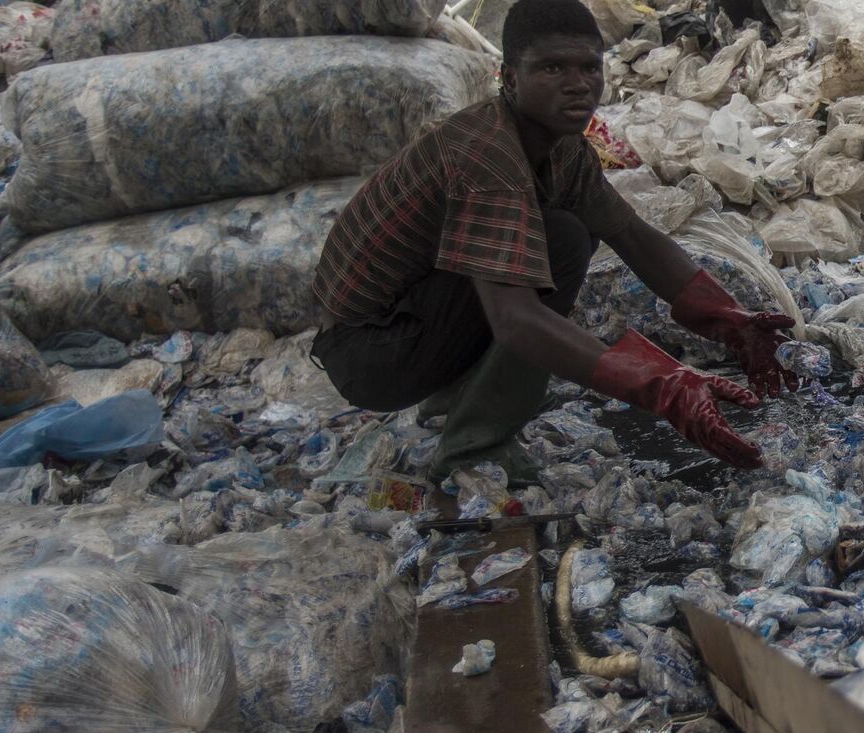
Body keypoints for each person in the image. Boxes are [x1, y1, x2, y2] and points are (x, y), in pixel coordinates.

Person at [310, 0, 794, 486]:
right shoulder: (486, 157)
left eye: (589, 67)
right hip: (369, 354)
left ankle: (461, 395)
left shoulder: (562, 149)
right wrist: (660, 385)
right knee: (558, 243)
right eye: (552, 67)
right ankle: (472, 448)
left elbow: (633, 236)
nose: (578, 83)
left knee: (565, 234)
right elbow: (516, 320)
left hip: (411, 321)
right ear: (510, 78)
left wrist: (730, 319)